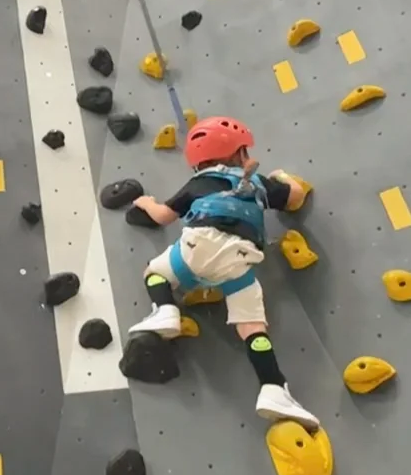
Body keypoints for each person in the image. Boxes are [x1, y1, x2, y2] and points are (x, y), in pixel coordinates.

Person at [127, 115, 319, 430]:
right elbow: (295, 196)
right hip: (237, 261)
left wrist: (147, 202)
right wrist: (281, 176)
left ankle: (165, 310)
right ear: (239, 153)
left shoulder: (198, 183)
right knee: (253, 328)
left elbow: (162, 216)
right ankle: (272, 387)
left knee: (154, 271)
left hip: (194, 248)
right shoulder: (257, 184)